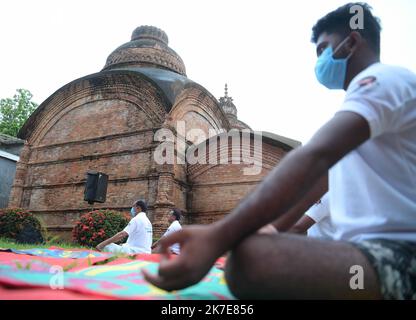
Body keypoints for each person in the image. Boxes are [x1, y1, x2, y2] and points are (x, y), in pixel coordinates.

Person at [143, 2, 416, 299]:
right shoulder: (363, 121)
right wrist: (267, 230)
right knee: (252, 249)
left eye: (324, 48)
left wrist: (217, 237)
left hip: (401, 256)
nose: (320, 60)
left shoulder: (382, 81)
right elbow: (316, 183)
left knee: (251, 262)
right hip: (355, 251)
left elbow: (315, 157)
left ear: (352, 41)